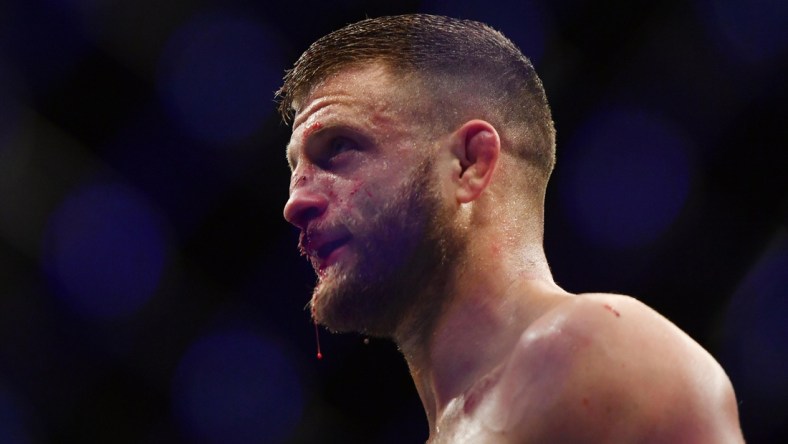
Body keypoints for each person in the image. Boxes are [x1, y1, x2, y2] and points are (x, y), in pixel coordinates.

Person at [279, 14, 744, 443]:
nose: (295, 202)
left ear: (469, 164)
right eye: (295, 168)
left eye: (338, 147)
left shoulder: (594, 348)